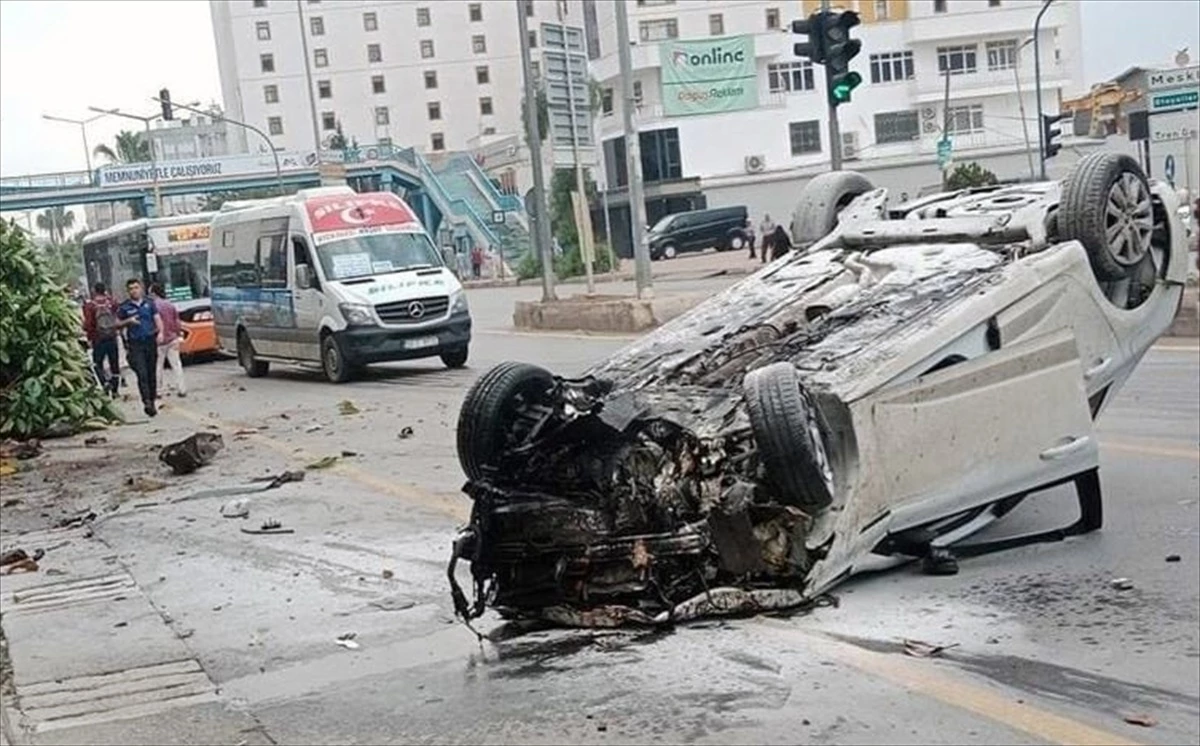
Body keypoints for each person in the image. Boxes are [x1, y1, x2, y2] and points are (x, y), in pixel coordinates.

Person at [118, 278, 164, 417]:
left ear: (141, 288)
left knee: (151, 373)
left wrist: (161, 333)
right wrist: (128, 321)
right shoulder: (125, 307)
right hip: (136, 344)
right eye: (131, 288)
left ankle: (152, 398)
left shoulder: (149, 303)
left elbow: (157, 319)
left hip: (150, 341)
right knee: (142, 373)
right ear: (128, 291)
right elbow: (117, 324)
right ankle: (146, 402)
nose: (134, 290)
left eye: (136, 287)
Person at [82, 282, 121, 396]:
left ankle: (104, 382)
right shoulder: (112, 303)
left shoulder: (90, 306)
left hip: (98, 338)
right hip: (112, 336)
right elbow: (117, 313)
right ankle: (115, 390)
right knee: (114, 363)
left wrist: (89, 337)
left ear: (94, 290)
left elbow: (88, 324)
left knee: (97, 363)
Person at [150, 283, 187, 400]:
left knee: (158, 366)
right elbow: (177, 322)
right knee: (176, 365)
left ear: (153, 293)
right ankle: (181, 389)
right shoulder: (170, 304)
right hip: (172, 339)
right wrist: (178, 333)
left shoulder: (152, 306)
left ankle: (158, 391)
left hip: (159, 341)